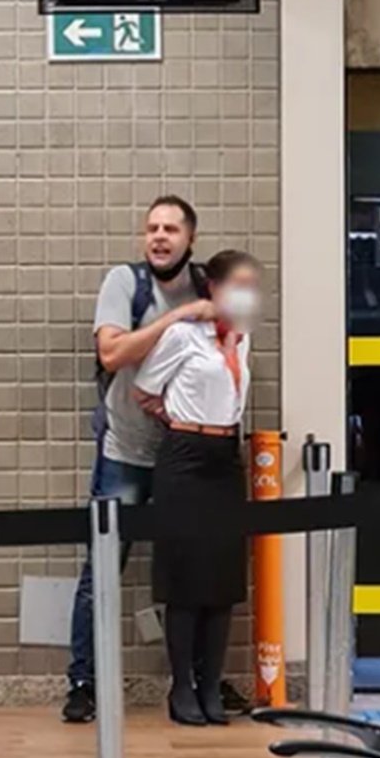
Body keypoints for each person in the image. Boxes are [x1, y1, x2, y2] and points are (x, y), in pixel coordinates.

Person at [63, 196, 214, 724]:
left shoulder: (207, 286)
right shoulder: (125, 284)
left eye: (171, 228)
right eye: (151, 227)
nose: (159, 236)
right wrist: (179, 319)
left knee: (190, 574)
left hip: (184, 457)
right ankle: (82, 681)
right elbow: (112, 354)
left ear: (190, 238)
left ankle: (195, 684)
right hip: (123, 451)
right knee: (102, 570)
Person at [133, 250, 261, 726]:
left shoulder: (243, 340)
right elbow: (144, 391)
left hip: (226, 458)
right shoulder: (184, 335)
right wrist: (182, 423)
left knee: (223, 578)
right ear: (213, 288)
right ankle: (182, 684)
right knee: (185, 578)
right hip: (185, 455)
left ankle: (212, 683)